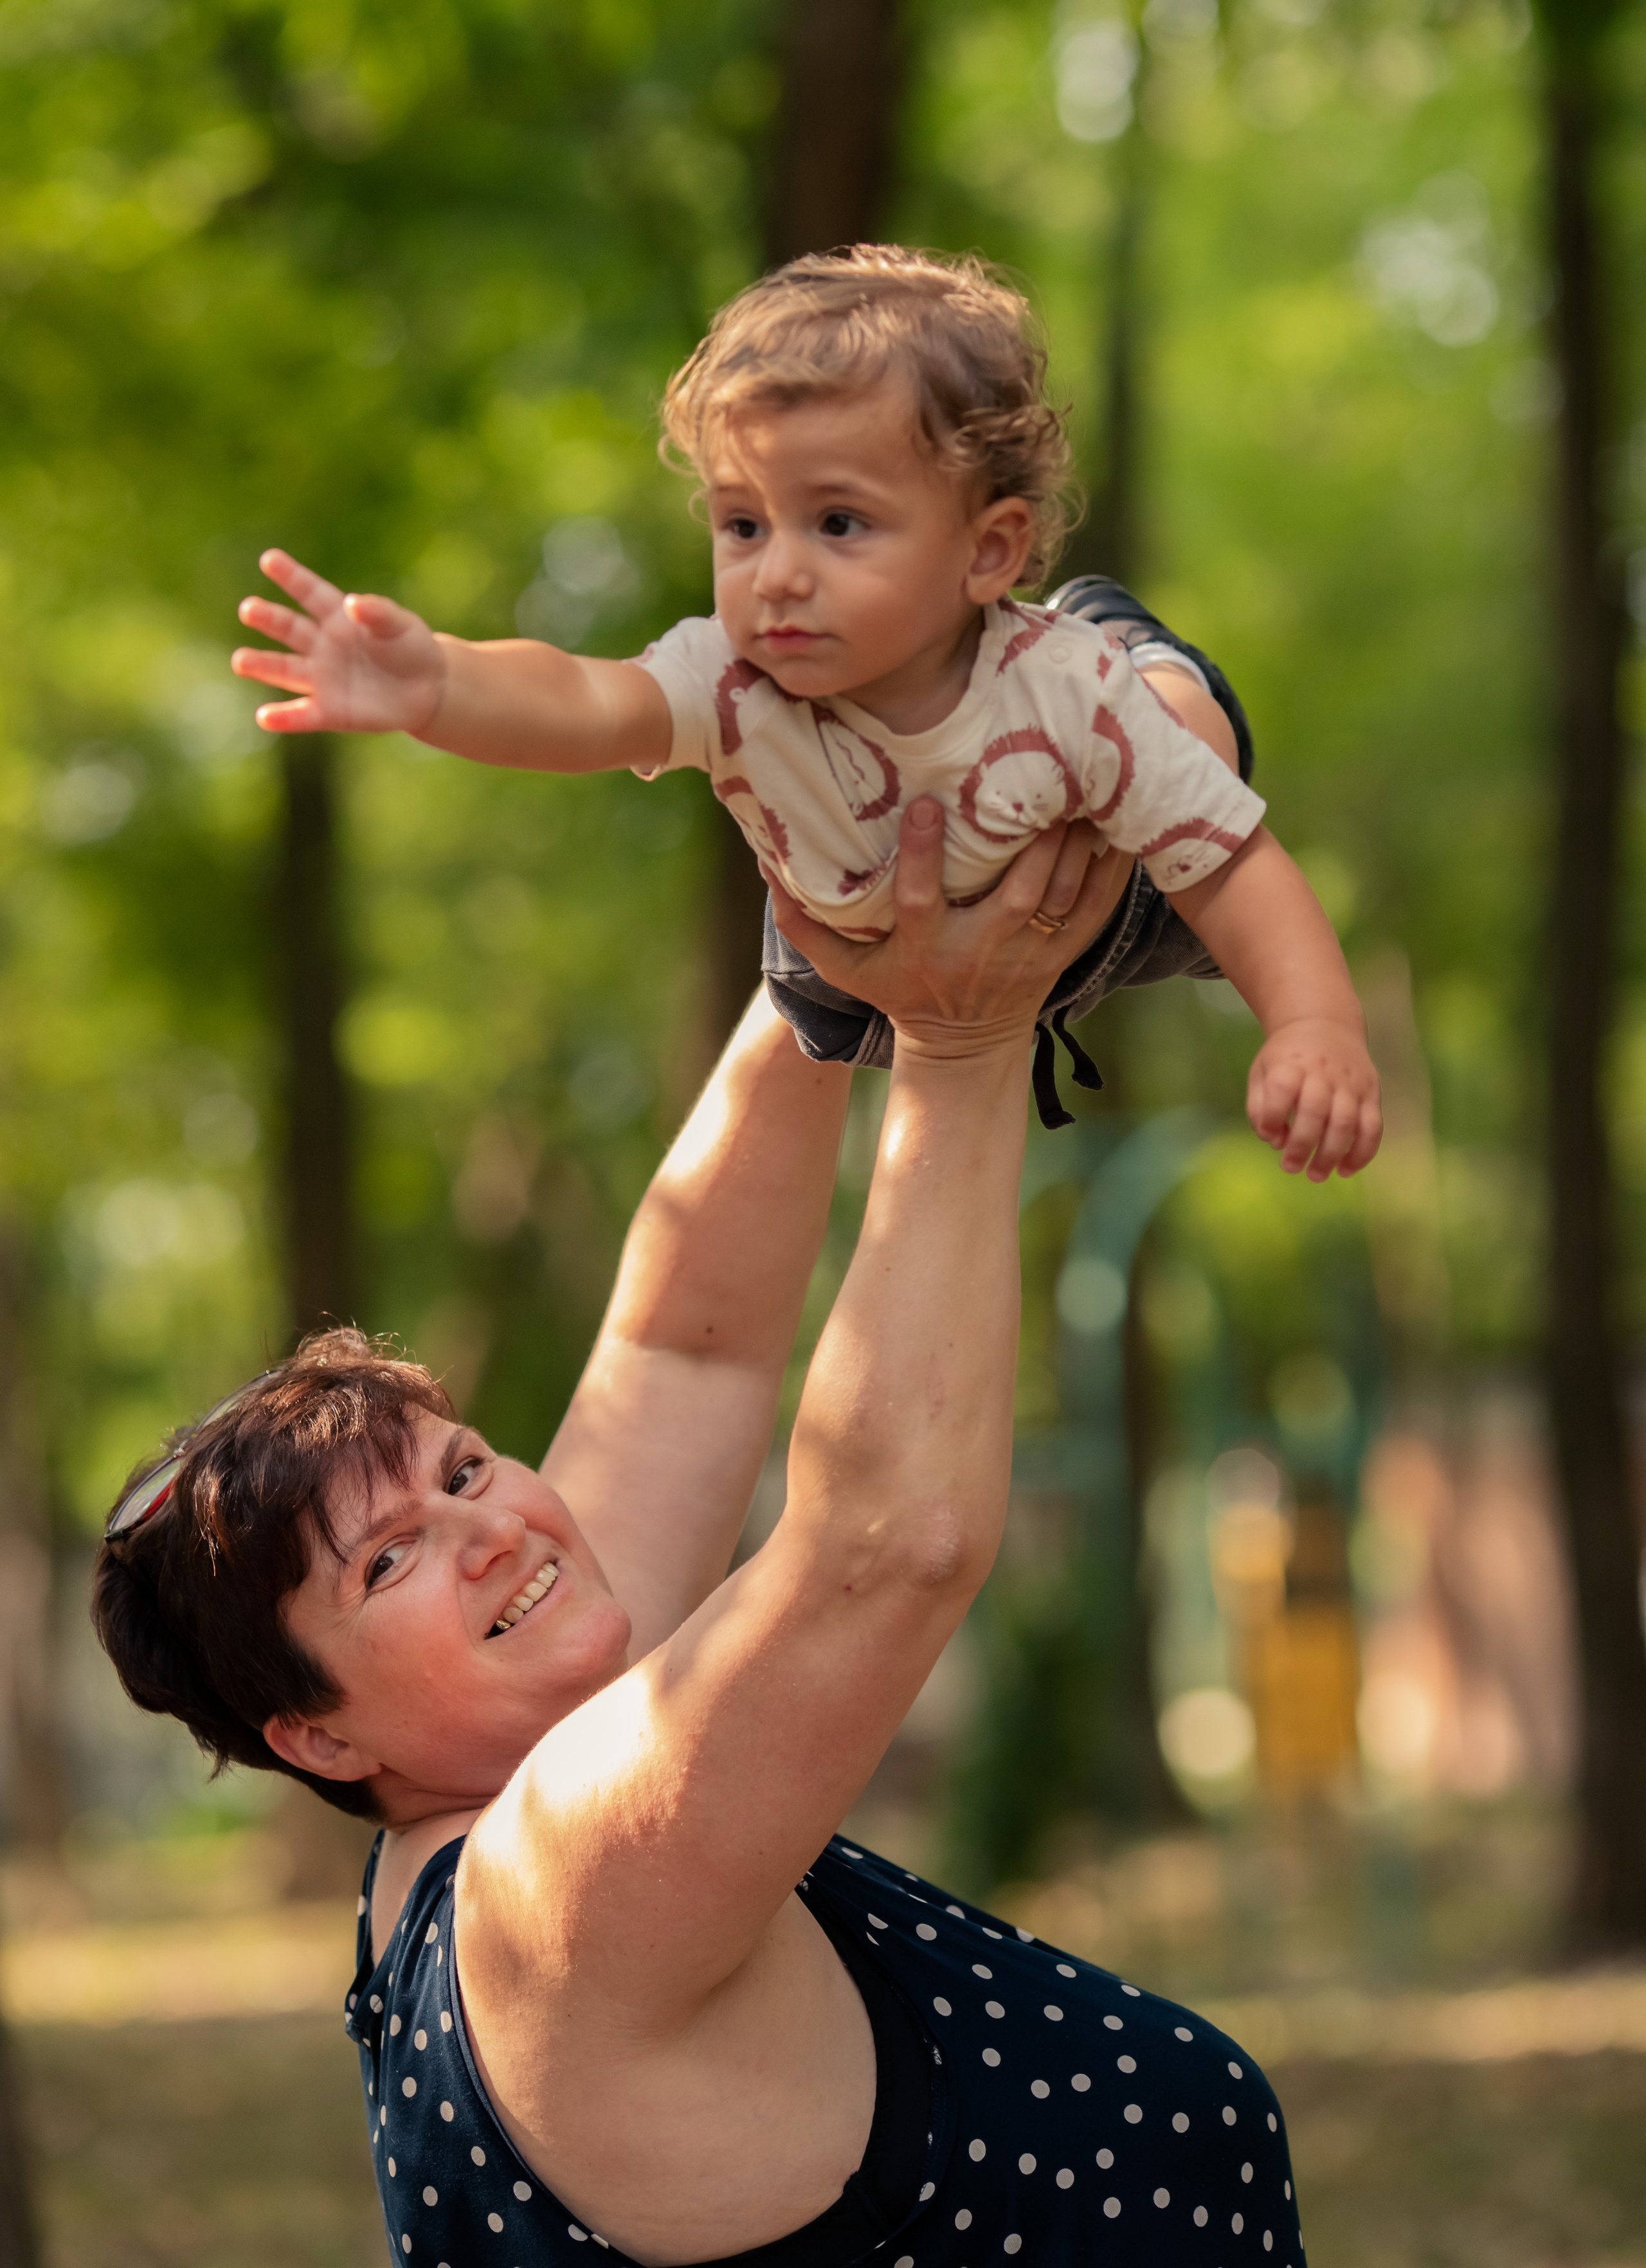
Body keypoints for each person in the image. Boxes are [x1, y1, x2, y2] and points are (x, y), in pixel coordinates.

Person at [94, 811, 1306, 2267]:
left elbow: (685, 1347)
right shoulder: (551, 1898)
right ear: (317, 1737)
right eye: (386, 1560)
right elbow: (889, 1546)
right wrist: (965, 1034)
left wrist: (833, 923)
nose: (487, 1531)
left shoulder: (503, 1805)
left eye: (466, 1469)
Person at [231, 245, 1380, 1178]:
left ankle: (1120, 628)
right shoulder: (732, 677)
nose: (776, 574)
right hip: (851, 947)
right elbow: (587, 697)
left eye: (837, 523)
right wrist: (438, 684)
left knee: (1178, 739)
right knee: (816, 1002)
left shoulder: (1072, 701)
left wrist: (1314, 1028)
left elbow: (1238, 866)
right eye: (743, 524)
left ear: (989, 549)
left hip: (1105, 894)